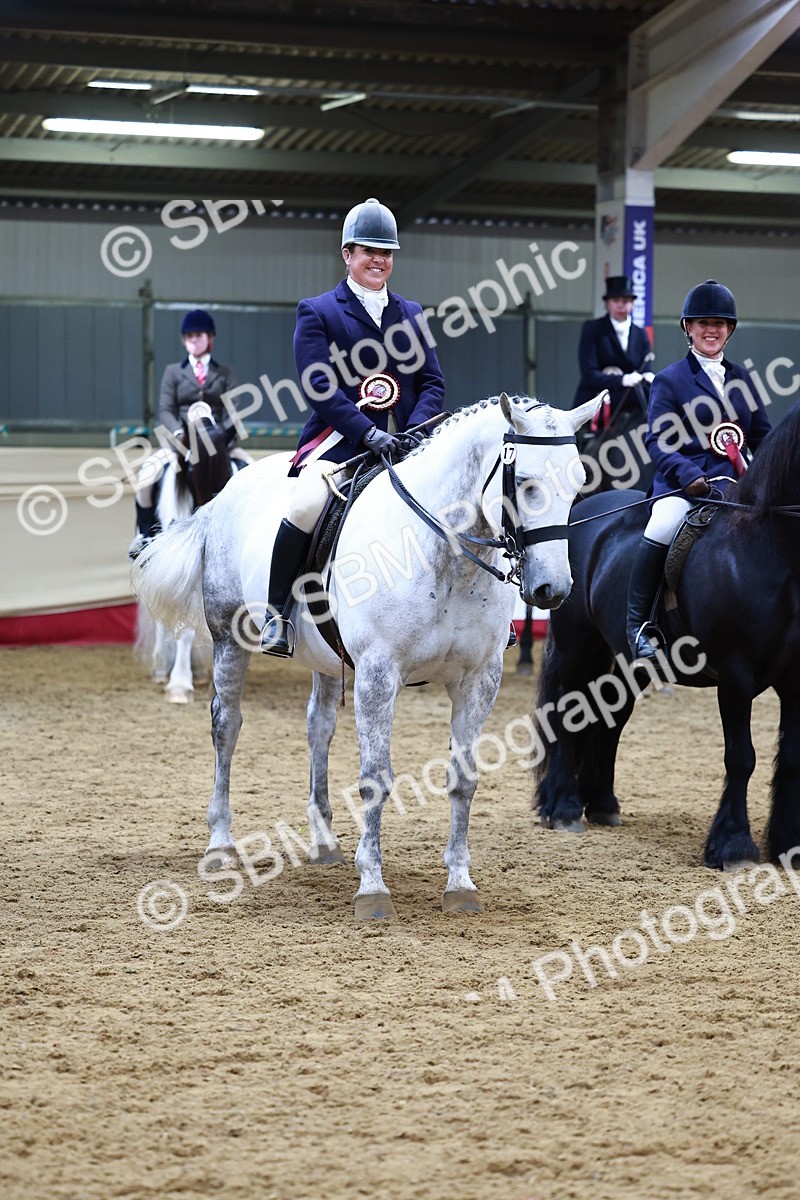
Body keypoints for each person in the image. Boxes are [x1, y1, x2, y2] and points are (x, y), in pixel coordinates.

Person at [261, 197, 446, 657]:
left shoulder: (411, 313)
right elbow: (318, 385)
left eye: (386, 253)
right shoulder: (319, 311)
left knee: (459, 497)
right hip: (342, 441)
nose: (379, 260)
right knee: (306, 504)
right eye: (369, 251)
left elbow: (432, 382)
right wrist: (367, 431)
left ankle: (474, 614)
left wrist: (414, 430)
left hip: (408, 443)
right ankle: (277, 614)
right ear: (348, 254)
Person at [626, 279, 772, 661]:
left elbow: (763, 437)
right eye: (703, 322)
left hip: (737, 485)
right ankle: (638, 624)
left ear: (729, 330)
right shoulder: (670, 379)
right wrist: (686, 473)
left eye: (719, 323)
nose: (712, 329)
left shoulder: (742, 379)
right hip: (684, 486)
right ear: (688, 328)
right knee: (662, 526)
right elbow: (658, 440)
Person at [129, 308, 252, 557]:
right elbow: (165, 409)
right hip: (181, 443)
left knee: (252, 470)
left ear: (210, 337)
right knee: (146, 478)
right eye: (188, 336)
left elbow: (233, 410)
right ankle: (144, 534)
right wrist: (178, 434)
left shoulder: (224, 373)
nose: (193, 340)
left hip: (220, 443)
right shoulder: (173, 372)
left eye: (198, 335)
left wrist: (221, 437)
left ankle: (250, 531)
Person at [573, 275, 654, 417]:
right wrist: (622, 380)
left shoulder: (640, 333)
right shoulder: (593, 328)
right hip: (599, 397)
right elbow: (589, 374)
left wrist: (647, 376)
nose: (621, 305)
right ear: (608, 304)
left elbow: (645, 368)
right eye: (616, 301)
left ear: (632, 304)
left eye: (626, 301)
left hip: (633, 400)